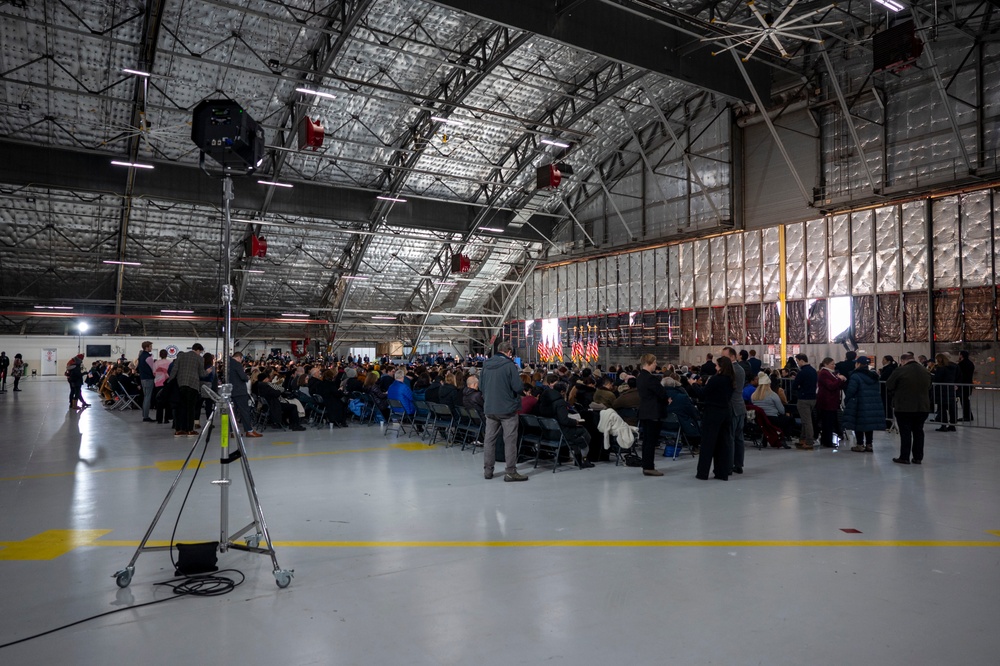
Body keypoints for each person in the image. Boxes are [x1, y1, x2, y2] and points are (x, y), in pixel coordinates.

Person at [480, 341, 528, 482]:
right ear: (508, 352)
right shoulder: (509, 366)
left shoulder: (485, 365)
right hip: (508, 410)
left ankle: (488, 471)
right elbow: (518, 387)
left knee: (489, 440)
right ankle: (510, 472)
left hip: (490, 408)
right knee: (510, 441)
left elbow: (481, 387)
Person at [692, 356, 735, 480]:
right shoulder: (731, 380)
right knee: (723, 443)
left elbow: (702, 394)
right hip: (726, 412)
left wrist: (694, 385)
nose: (715, 367)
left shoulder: (716, 380)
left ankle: (703, 473)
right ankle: (722, 472)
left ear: (721, 367)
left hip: (713, 413)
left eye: (717, 365)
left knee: (708, 443)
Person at [886, 352, 933, 465]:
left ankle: (904, 457)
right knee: (919, 432)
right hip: (922, 407)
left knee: (905, 432)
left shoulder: (900, 370)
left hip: (904, 407)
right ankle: (918, 457)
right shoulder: (925, 371)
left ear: (902, 361)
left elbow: (889, 384)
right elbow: (929, 386)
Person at [635, 354, 668, 476]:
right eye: (654, 362)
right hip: (653, 412)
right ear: (649, 363)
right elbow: (662, 393)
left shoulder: (640, 377)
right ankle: (649, 466)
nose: (656, 365)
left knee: (647, 441)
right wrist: (666, 400)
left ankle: (646, 464)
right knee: (651, 441)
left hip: (644, 411)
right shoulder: (651, 379)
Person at [842, 356, 884, 452]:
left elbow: (851, 390)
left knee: (858, 424)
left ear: (858, 364)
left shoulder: (855, 376)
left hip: (859, 403)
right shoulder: (873, 375)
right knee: (869, 425)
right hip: (872, 403)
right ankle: (869, 445)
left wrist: (847, 400)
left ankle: (860, 445)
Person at [168, 343, 206, 436]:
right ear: (198, 350)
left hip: (180, 384)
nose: (200, 354)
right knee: (191, 408)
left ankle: (179, 429)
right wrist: (207, 372)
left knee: (180, 407)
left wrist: (169, 382)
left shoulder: (181, 356)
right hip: (193, 385)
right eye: (200, 352)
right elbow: (202, 374)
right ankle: (190, 429)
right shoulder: (200, 359)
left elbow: (174, 370)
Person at [723, 347, 747, 474]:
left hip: (732, 407)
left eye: (724, 356)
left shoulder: (731, 370)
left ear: (732, 357)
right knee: (739, 438)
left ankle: (729, 464)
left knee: (731, 438)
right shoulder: (741, 369)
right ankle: (738, 464)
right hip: (740, 406)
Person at [229, 352, 262, 437]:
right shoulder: (237, 364)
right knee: (244, 411)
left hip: (231, 391)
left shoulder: (228, 364)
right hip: (240, 391)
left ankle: (233, 432)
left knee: (233, 413)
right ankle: (249, 430)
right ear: (239, 357)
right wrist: (246, 377)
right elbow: (243, 377)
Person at [137, 341, 156, 422]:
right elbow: (153, 369)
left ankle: (144, 415)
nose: (151, 348)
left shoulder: (141, 356)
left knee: (145, 397)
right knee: (148, 397)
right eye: (150, 346)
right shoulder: (148, 357)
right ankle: (146, 416)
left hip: (142, 378)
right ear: (147, 347)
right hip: (149, 378)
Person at [957, 350, 975, 421]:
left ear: (961, 355)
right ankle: (969, 415)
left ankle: (967, 416)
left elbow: (959, 374)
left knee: (964, 401)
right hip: (968, 384)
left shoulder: (961, 364)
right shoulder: (970, 363)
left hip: (963, 385)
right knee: (966, 400)